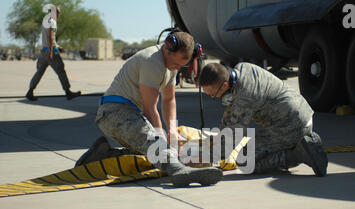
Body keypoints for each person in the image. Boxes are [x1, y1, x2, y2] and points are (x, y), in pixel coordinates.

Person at [76, 31, 223, 187]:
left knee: (150, 155)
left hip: (127, 114)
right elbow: (150, 108)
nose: (177, 68)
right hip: (115, 112)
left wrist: (172, 131)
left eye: (182, 65)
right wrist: (162, 137)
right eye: (176, 64)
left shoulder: (171, 65)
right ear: (167, 49)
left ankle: (102, 155)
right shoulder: (152, 61)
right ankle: (179, 171)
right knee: (155, 145)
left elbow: (169, 99)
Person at [198, 62, 328, 177]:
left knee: (245, 161)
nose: (213, 97)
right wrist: (220, 135)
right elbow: (231, 114)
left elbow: (232, 138)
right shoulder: (243, 68)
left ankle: (299, 154)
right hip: (302, 114)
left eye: (213, 95)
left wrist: (203, 159)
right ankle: (299, 144)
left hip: (291, 125)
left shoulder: (244, 97)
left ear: (225, 85)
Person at [26, 4, 81, 101]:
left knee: (39, 72)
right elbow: (51, 37)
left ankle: (30, 91)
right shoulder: (52, 22)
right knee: (61, 71)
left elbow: (48, 38)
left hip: (43, 51)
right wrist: (52, 51)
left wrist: (57, 47)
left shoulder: (45, 20)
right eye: (58, 12)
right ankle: (68, 92)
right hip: (50, 53)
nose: (59, 14)